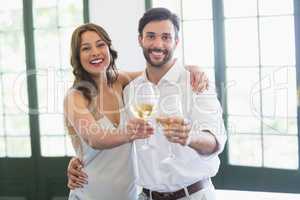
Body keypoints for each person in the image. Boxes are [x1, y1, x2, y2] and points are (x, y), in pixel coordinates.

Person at [64, 22, 209, 200]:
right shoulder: (75, 97)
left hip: (129, 194)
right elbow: (93, 139)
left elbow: (158, 72)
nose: (95, 52)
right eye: (86, 48)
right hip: (91, 193)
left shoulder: (120, 81)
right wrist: (130, 133)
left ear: (109, 49)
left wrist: (192, 69)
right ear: (78, 56)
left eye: (100, 45)